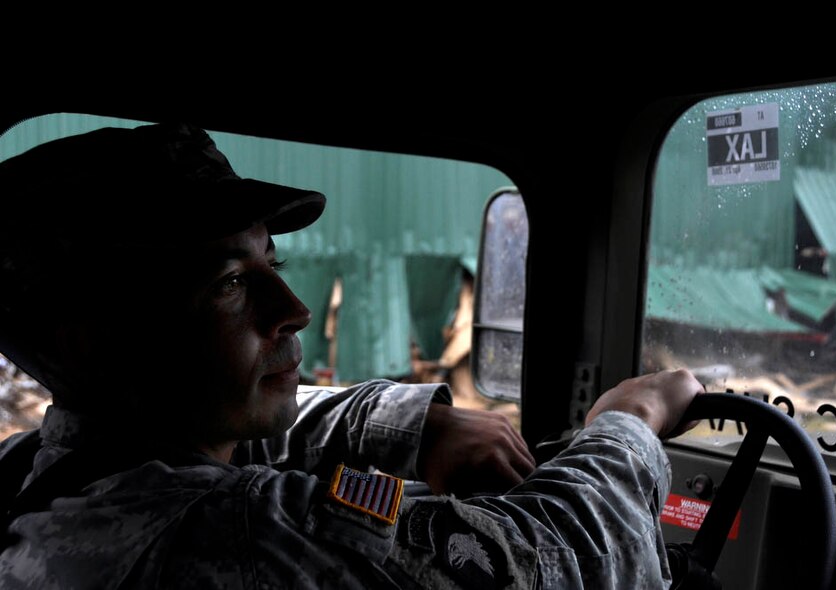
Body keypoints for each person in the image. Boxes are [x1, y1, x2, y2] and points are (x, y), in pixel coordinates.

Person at [0, 122, 704, 589]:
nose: (294, 309)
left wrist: (410, 424)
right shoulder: (231, 535)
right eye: (230, 284)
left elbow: (272, 423)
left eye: (270, 264)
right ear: (91, 339)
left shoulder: (39, 472)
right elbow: (559, 559)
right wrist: (629, 420)